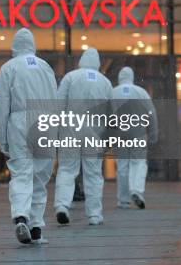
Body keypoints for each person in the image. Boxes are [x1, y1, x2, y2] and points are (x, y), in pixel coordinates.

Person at [0, 28, 57, 244]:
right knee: (40, 176)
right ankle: (37, 227)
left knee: (22, 172)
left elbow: (2, 106)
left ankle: (21, 216)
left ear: (15, 45)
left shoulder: (8, 68)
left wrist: (3, 139)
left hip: (19, 121)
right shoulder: (45, 66)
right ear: (32, 44)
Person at [54, 47, 112, 226]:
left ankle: (62, 205)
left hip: (71, 127)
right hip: (95, 131)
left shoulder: (70, 77)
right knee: (93, 173)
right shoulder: (105, 82)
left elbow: (58, 104)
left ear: (82, 61)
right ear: (97, 63)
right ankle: (94, 215)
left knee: (67, 169)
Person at [111, 66, 158, 209]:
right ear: (131, 77)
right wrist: (153, 133)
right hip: (138, 132)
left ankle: (123, 200)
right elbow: (151, 114)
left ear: (120, 78)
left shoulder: (113, 93)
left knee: (122, 166)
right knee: (138, 163)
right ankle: (136, 190)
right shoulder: (141, 92)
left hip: (119, 133)